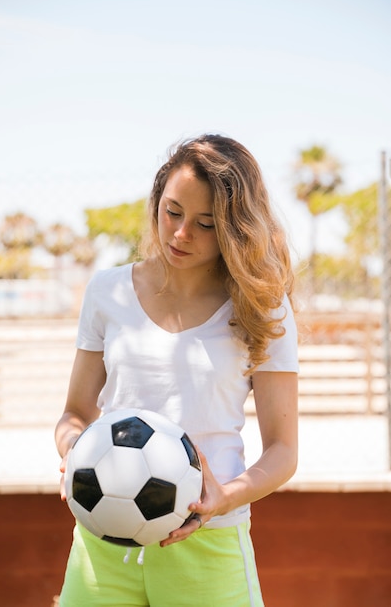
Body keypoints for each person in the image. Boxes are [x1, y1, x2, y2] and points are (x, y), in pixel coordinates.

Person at [55, 134, 299, 607]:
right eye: (172, 212)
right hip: (103, 542)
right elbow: (74, 415)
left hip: (209, 548)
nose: (181, 234)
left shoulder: (262, 308)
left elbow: (284, 452)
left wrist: (223, 497)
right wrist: (75, 458)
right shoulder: (107, 291)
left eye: (206, 224)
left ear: (234, 228)